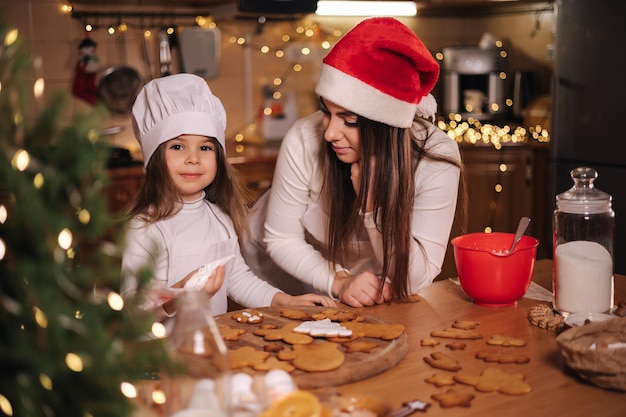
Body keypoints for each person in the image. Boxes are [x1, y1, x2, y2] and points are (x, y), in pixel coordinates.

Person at [243, 17, 465, 308]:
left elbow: (414, 278)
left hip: (364, 283)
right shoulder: (303, 139)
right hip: (280, 270)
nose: (330, 133)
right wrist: (339, 282)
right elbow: (281, 238)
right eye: (326, 111)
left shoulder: (435, 157)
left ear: (387, 126)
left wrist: (373, 206)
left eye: (349, 120)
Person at [120, 73, 335, 332]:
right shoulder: (145, 227)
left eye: (205, 148)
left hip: (211, 348)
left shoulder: (219, 218)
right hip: (160, 358)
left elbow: (237, 279)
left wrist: (286, 301)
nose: (193, 158)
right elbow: (131, 310)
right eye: (177, 147)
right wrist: (177, 295)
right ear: (154, 157)